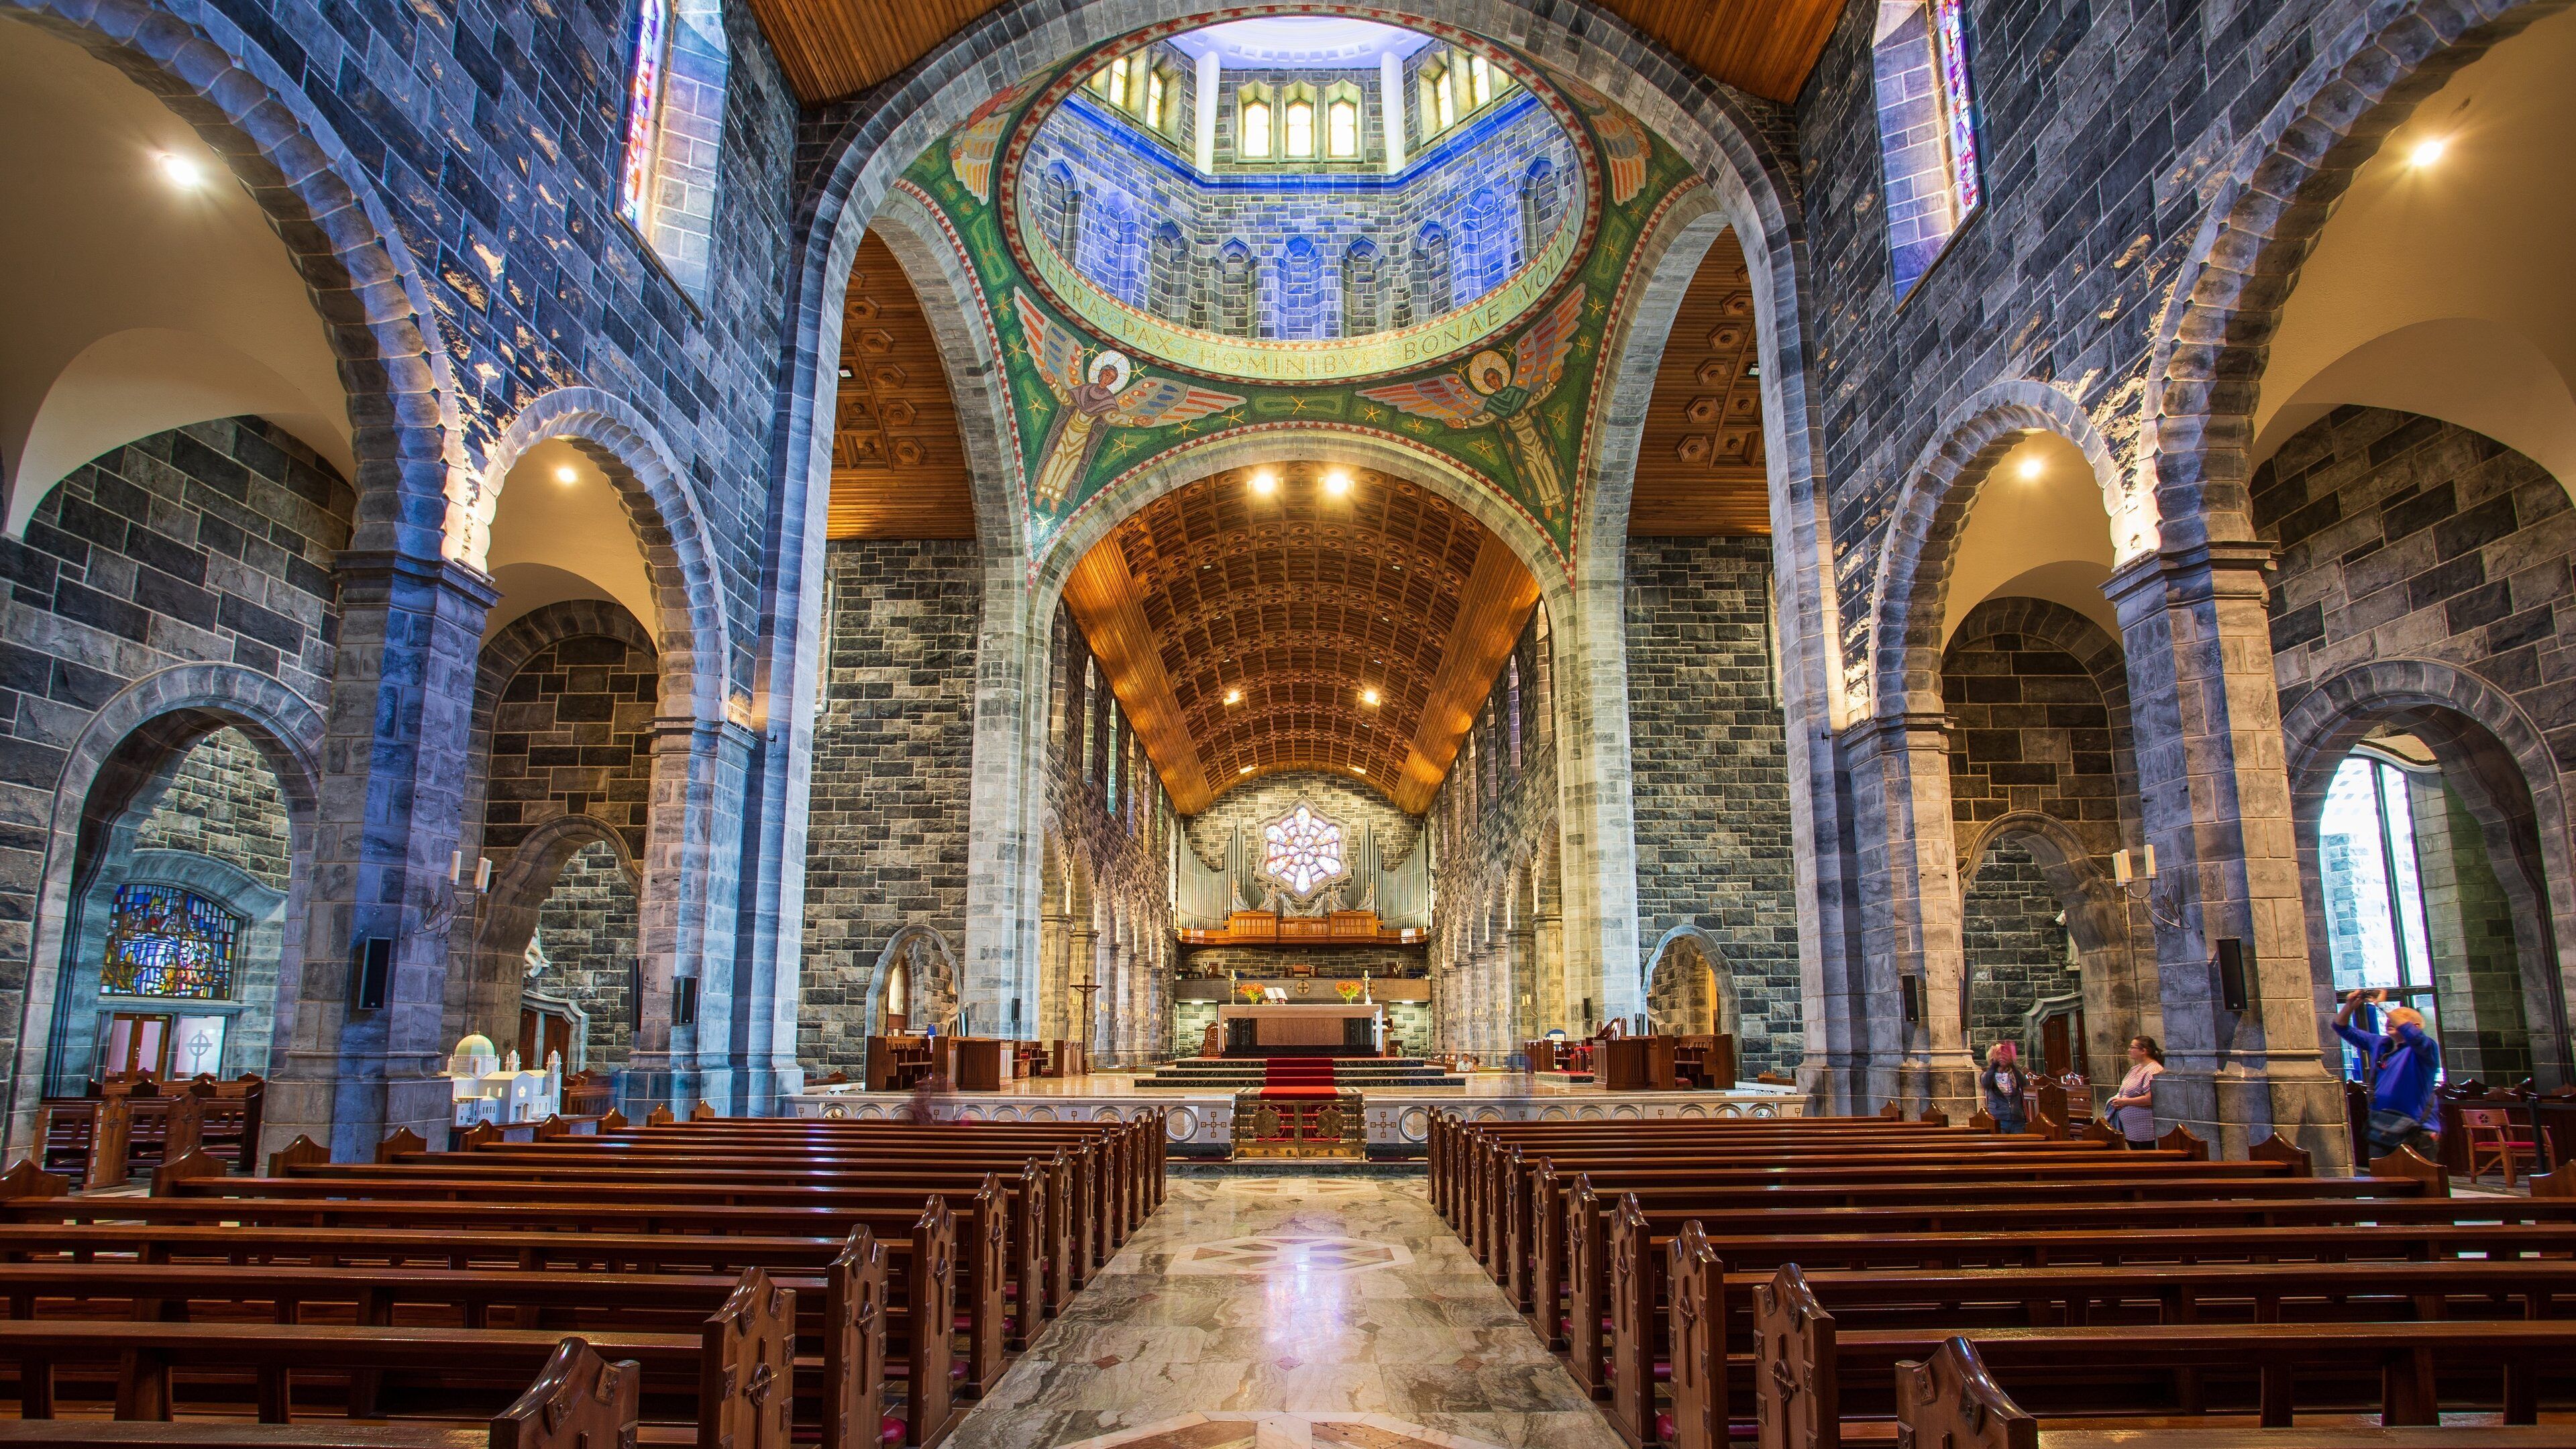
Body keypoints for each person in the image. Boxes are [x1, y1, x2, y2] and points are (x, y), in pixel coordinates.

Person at [2336, 987, 2443, 1160]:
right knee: (2384, 1179)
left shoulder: (2425, 1048)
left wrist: (2383, 1005)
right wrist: (2349, 1006)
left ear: (2415, 1026)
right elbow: (2341, 1028)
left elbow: (2412, 1036)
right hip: (2383, 1126)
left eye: (2398, 1018)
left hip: (2418, 1129)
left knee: (2421, 1181)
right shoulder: (2382, 1044)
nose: (2390, 1020)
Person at [2104, 1036, 2165, 1148]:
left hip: (2144, 1129)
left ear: (2143, 1051)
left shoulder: (2153, 1070)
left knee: (2146, 1160)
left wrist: (2125, 1102)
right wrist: (2117, 1099)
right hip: (2131, 1129)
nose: (2129, 1050)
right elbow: (2123, 1091)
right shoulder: (2135, 1069)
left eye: (2132, 1047)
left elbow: (2150, 1099)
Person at [1978, 1040, 2029, 1134]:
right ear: (1992, 1057)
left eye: (2005, 1053)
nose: (2002, 1056)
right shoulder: (1988, 1074)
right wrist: (1995, 1065)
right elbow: (1986, 1084)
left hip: (2017, 1118)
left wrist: (2012, 1064)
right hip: (1999, 1119)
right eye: (1999, 1054)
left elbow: (2024, 1083)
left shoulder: (2014, 1073)